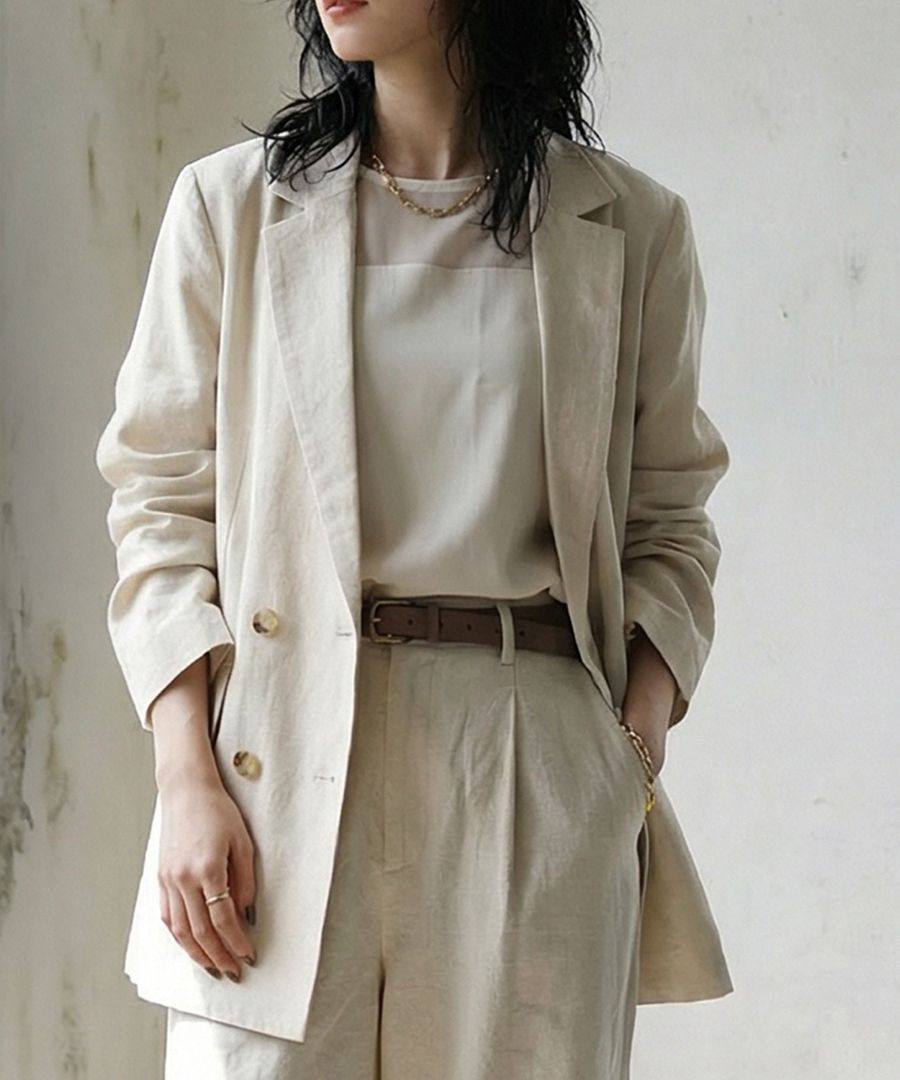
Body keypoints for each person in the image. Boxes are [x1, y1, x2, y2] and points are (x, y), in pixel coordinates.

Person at [95, 0, 733, 1076]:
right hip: (280, 752)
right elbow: (158, 501)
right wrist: (184, 775)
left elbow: (670, 513)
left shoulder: (631, 224)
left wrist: (631, 743)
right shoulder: (231, 204)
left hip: (528, 755)